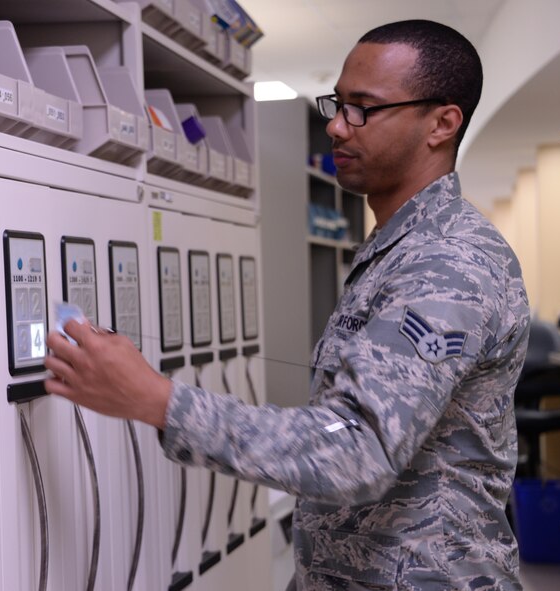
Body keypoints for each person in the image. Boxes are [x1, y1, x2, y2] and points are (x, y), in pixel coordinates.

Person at [45, 19, 530, 591]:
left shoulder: (447, 260)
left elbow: (358, 447)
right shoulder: (395, 246)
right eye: (338, 103)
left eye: (362, 109)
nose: (336, 125)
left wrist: (157, 399)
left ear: (441, 124)